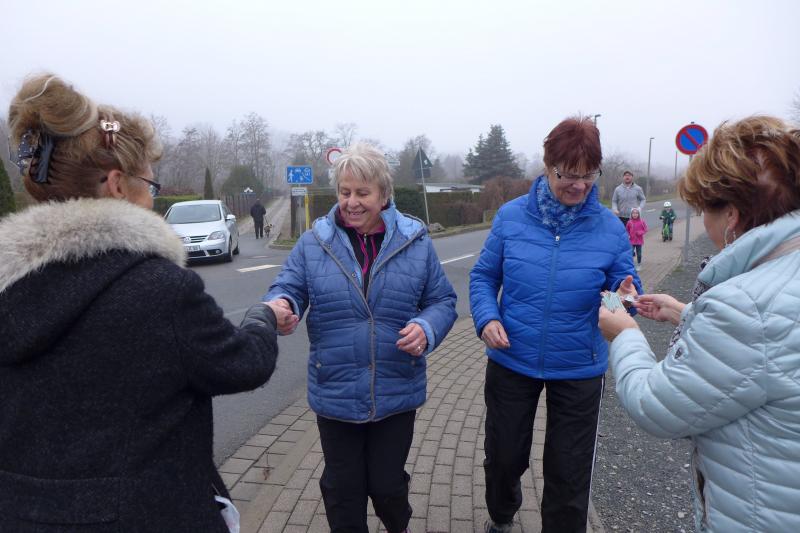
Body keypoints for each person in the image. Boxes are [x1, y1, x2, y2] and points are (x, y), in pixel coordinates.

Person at [0, 74, 294, 533]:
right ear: (118, 184)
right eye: (150, 185)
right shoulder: (159, 289)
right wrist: (265, 317)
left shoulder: (9, 287)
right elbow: (242, 365)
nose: (152, 200)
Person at [599, 116, 800, 533]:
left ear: (732, 215)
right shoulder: (782, 274)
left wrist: (625, 334)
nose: (703, 223)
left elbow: (656, 404)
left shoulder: (743, 306)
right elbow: (769, 342)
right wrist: (684, 312)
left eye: (704, 210)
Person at [264, 142, 457, 533]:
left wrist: (427, 327)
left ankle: (398, 524)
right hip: (335, 386)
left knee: (386, 486)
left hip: (396, 385)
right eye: (344, 192)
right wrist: (283, 305)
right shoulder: (314, 242)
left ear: (384, 195)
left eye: (362, 193)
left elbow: (442, 301)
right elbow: (288, 286)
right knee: (342, 489)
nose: (351, 202)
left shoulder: (415, 242)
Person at [470, 116, 642, 533]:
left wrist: (622, 299)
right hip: (512, 357)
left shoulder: (609, 228)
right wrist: (487, 317)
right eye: (568, 174)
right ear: (548, 167)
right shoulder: (511, 217)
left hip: (579, 366)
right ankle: (502, 514)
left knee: (569, 472)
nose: (579, 185)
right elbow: (484, 277)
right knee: (504, 457)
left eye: (589, 175)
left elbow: (621, 297)